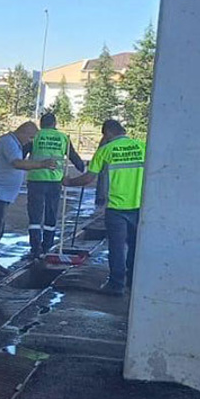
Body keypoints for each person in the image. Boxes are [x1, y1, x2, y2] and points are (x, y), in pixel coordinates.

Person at [64, 119, 145, 296]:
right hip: (140, 206)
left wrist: (69, 182)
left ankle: (116, 285)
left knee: (116, 247)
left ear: (107, 133)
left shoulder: (105, 150)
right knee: (135, 245)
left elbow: (88, 179)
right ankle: (132, 280)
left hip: (116, 207)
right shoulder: (142, 146)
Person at [0, 121, 60, 276]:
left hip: (1, 194)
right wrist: (42, 164)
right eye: (30, 138)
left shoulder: (14, 143)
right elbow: (17, 163)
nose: (30, 142)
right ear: (23, 132)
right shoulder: (8, 143)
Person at [26, 113, 85, 259]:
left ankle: (35, 248)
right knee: (51, 214)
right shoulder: (63, 137)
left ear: (41, 123)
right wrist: (82, 168)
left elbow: (20, 153)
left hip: (36, 179)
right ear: (54, 123)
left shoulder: (36, 136)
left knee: (35, 215)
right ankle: (47, 246)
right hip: (55, 181)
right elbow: (73, 156)